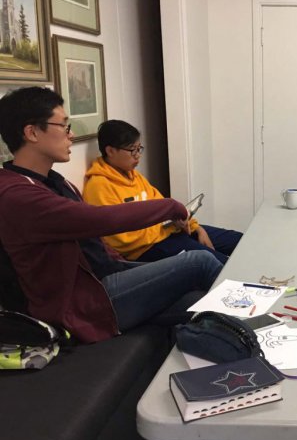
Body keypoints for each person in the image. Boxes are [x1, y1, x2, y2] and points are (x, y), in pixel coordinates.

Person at [0, 87, 223, 343]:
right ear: (32, 132)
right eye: (63, 126)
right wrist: (170, 206)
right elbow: (98, 220)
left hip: (104, 279)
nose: (71, 135)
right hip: (83, 304)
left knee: (197, 299)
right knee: (199, 262)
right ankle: (259, 328)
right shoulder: (17, 195)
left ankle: (247, 338)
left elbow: (93, 245)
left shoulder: (55, 181)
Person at [82, 120, 242, 265]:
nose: (138, 156)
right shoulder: (99, 186)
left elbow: (162, 206)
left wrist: (196, 228)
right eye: (132, 151)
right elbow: (123, 240)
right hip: (147, 249)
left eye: (139, 149)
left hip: (170, 232)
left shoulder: (133, 176)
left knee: (240, 240)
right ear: (110, 151)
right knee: (220, 265)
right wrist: (166, 227)